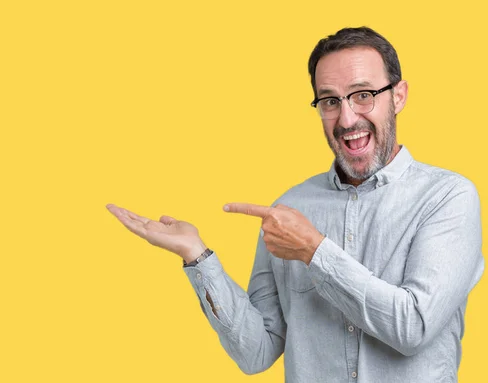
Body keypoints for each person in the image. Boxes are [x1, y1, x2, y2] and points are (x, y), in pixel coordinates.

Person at [106, 26, 484, 382]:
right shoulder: (290, 209)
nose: (347, 117)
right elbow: (257, 352)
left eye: (363, 95)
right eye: (330, 101)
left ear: (398, 96)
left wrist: (313, 251)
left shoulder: (447, 198)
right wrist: (197, 256)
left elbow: (413, 327)